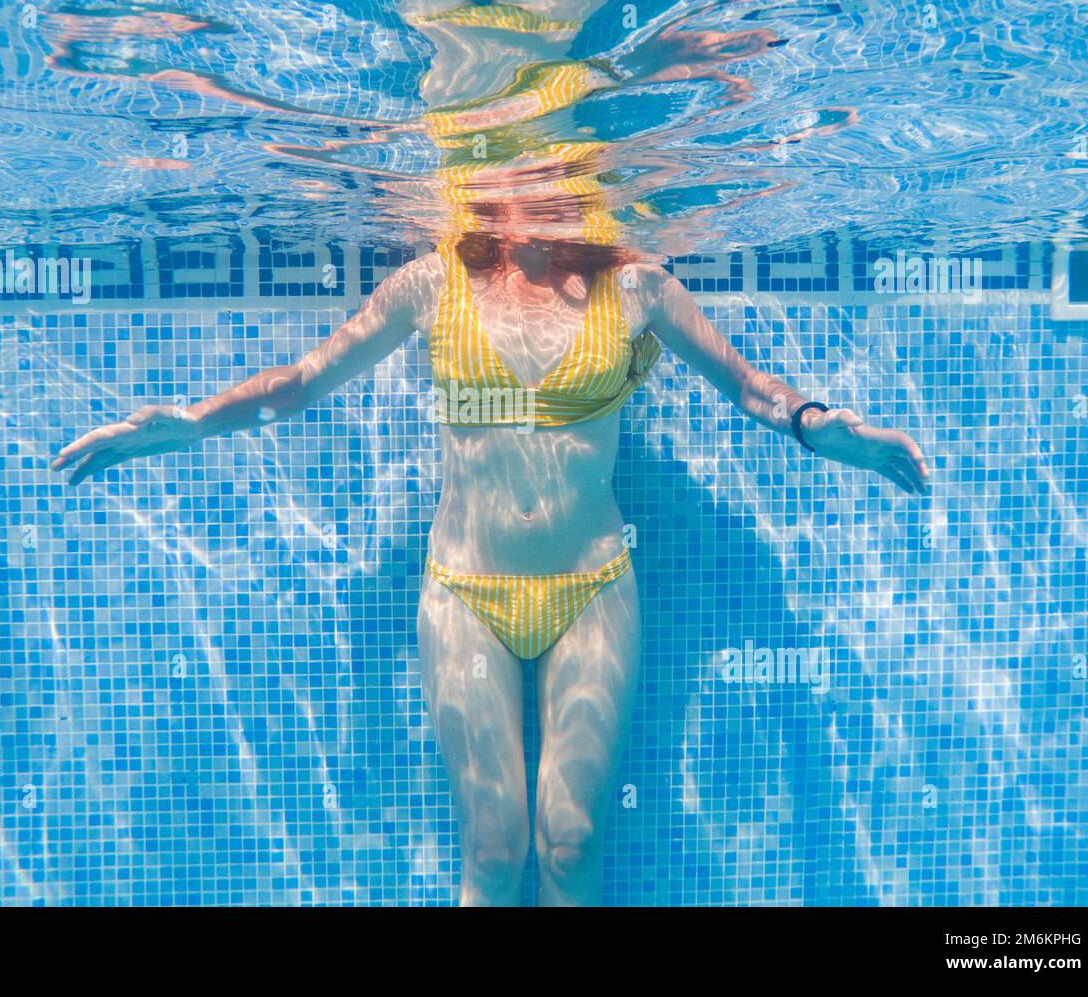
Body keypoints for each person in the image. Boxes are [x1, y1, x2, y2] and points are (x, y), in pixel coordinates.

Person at [50, 195, 930, 905]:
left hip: (591, 585)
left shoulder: (642, 288)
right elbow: (307, 380)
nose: (541, 199)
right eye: (517, 177)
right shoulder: (431, 283)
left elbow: (746, 384)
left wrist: (815, 426)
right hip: (465, 591)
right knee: (495, 845)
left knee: (572, 841)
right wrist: (193, 423)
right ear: (486, 189)